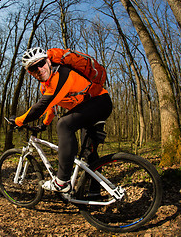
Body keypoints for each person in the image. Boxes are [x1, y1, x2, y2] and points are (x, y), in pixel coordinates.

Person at [12, 47, 112, 193]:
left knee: (64, 124)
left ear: (48, 61)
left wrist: (19, 121)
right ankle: (94, 192)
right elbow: (51, 108)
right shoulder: (46, 86)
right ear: (30, 73)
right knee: (88, 153)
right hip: (88, 109)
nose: (39, 69)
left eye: (41, 63)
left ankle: (62, 182)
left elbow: (42, 106)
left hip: (99, 102)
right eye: (34, 67)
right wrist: (44, 125)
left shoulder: (62, 74)